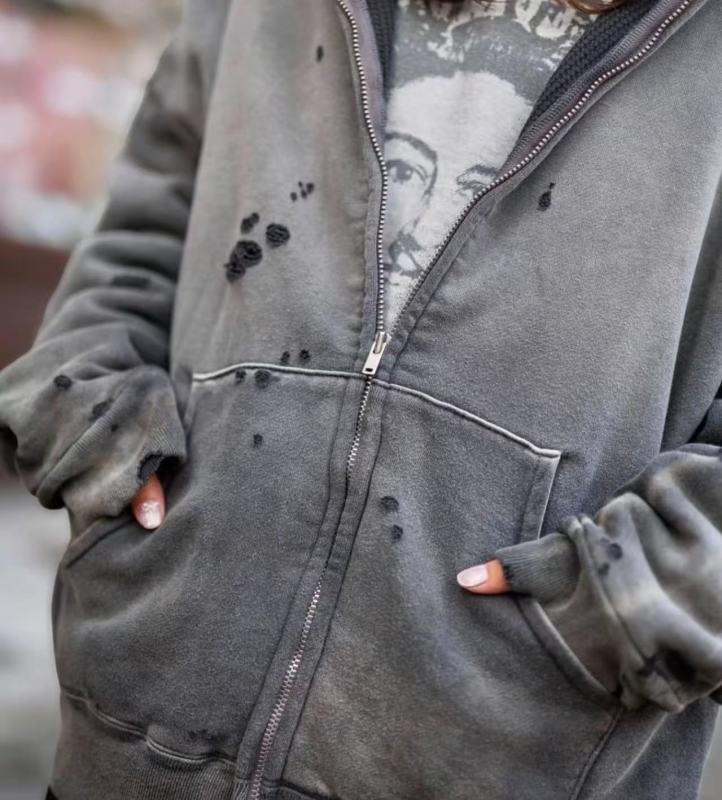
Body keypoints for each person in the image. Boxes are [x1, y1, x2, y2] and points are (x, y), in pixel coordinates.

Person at [0, 0, 720, 797]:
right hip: (133, 744)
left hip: (512, 760)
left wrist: (627, 603)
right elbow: (148, 212)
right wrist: (95, 419)